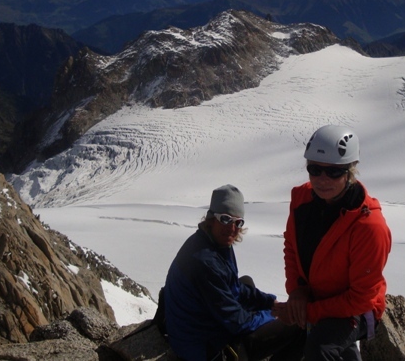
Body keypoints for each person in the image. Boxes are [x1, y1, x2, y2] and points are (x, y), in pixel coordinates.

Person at [273, 125, 392, 361]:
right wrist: (297, 291)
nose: (322, 179)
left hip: (357, 310)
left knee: (321, 349)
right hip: (315, 298)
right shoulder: (301, 199)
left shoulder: (369, 226)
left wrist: (307, 312)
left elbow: (360, 298)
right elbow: (291, 247)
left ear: (350, 172)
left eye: (334, 172)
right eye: (315, 170)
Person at [163, 184, 305, 361]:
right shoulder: (204, 261)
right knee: (300, 327)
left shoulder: (212, 242)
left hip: (197, 329)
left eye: (238, 222)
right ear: (211, 218)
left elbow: (233, 287)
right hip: (203, 348)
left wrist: (269, 302)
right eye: (225, 219)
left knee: (245, 281)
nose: (232, 228)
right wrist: (272, 315)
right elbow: (237, 322)